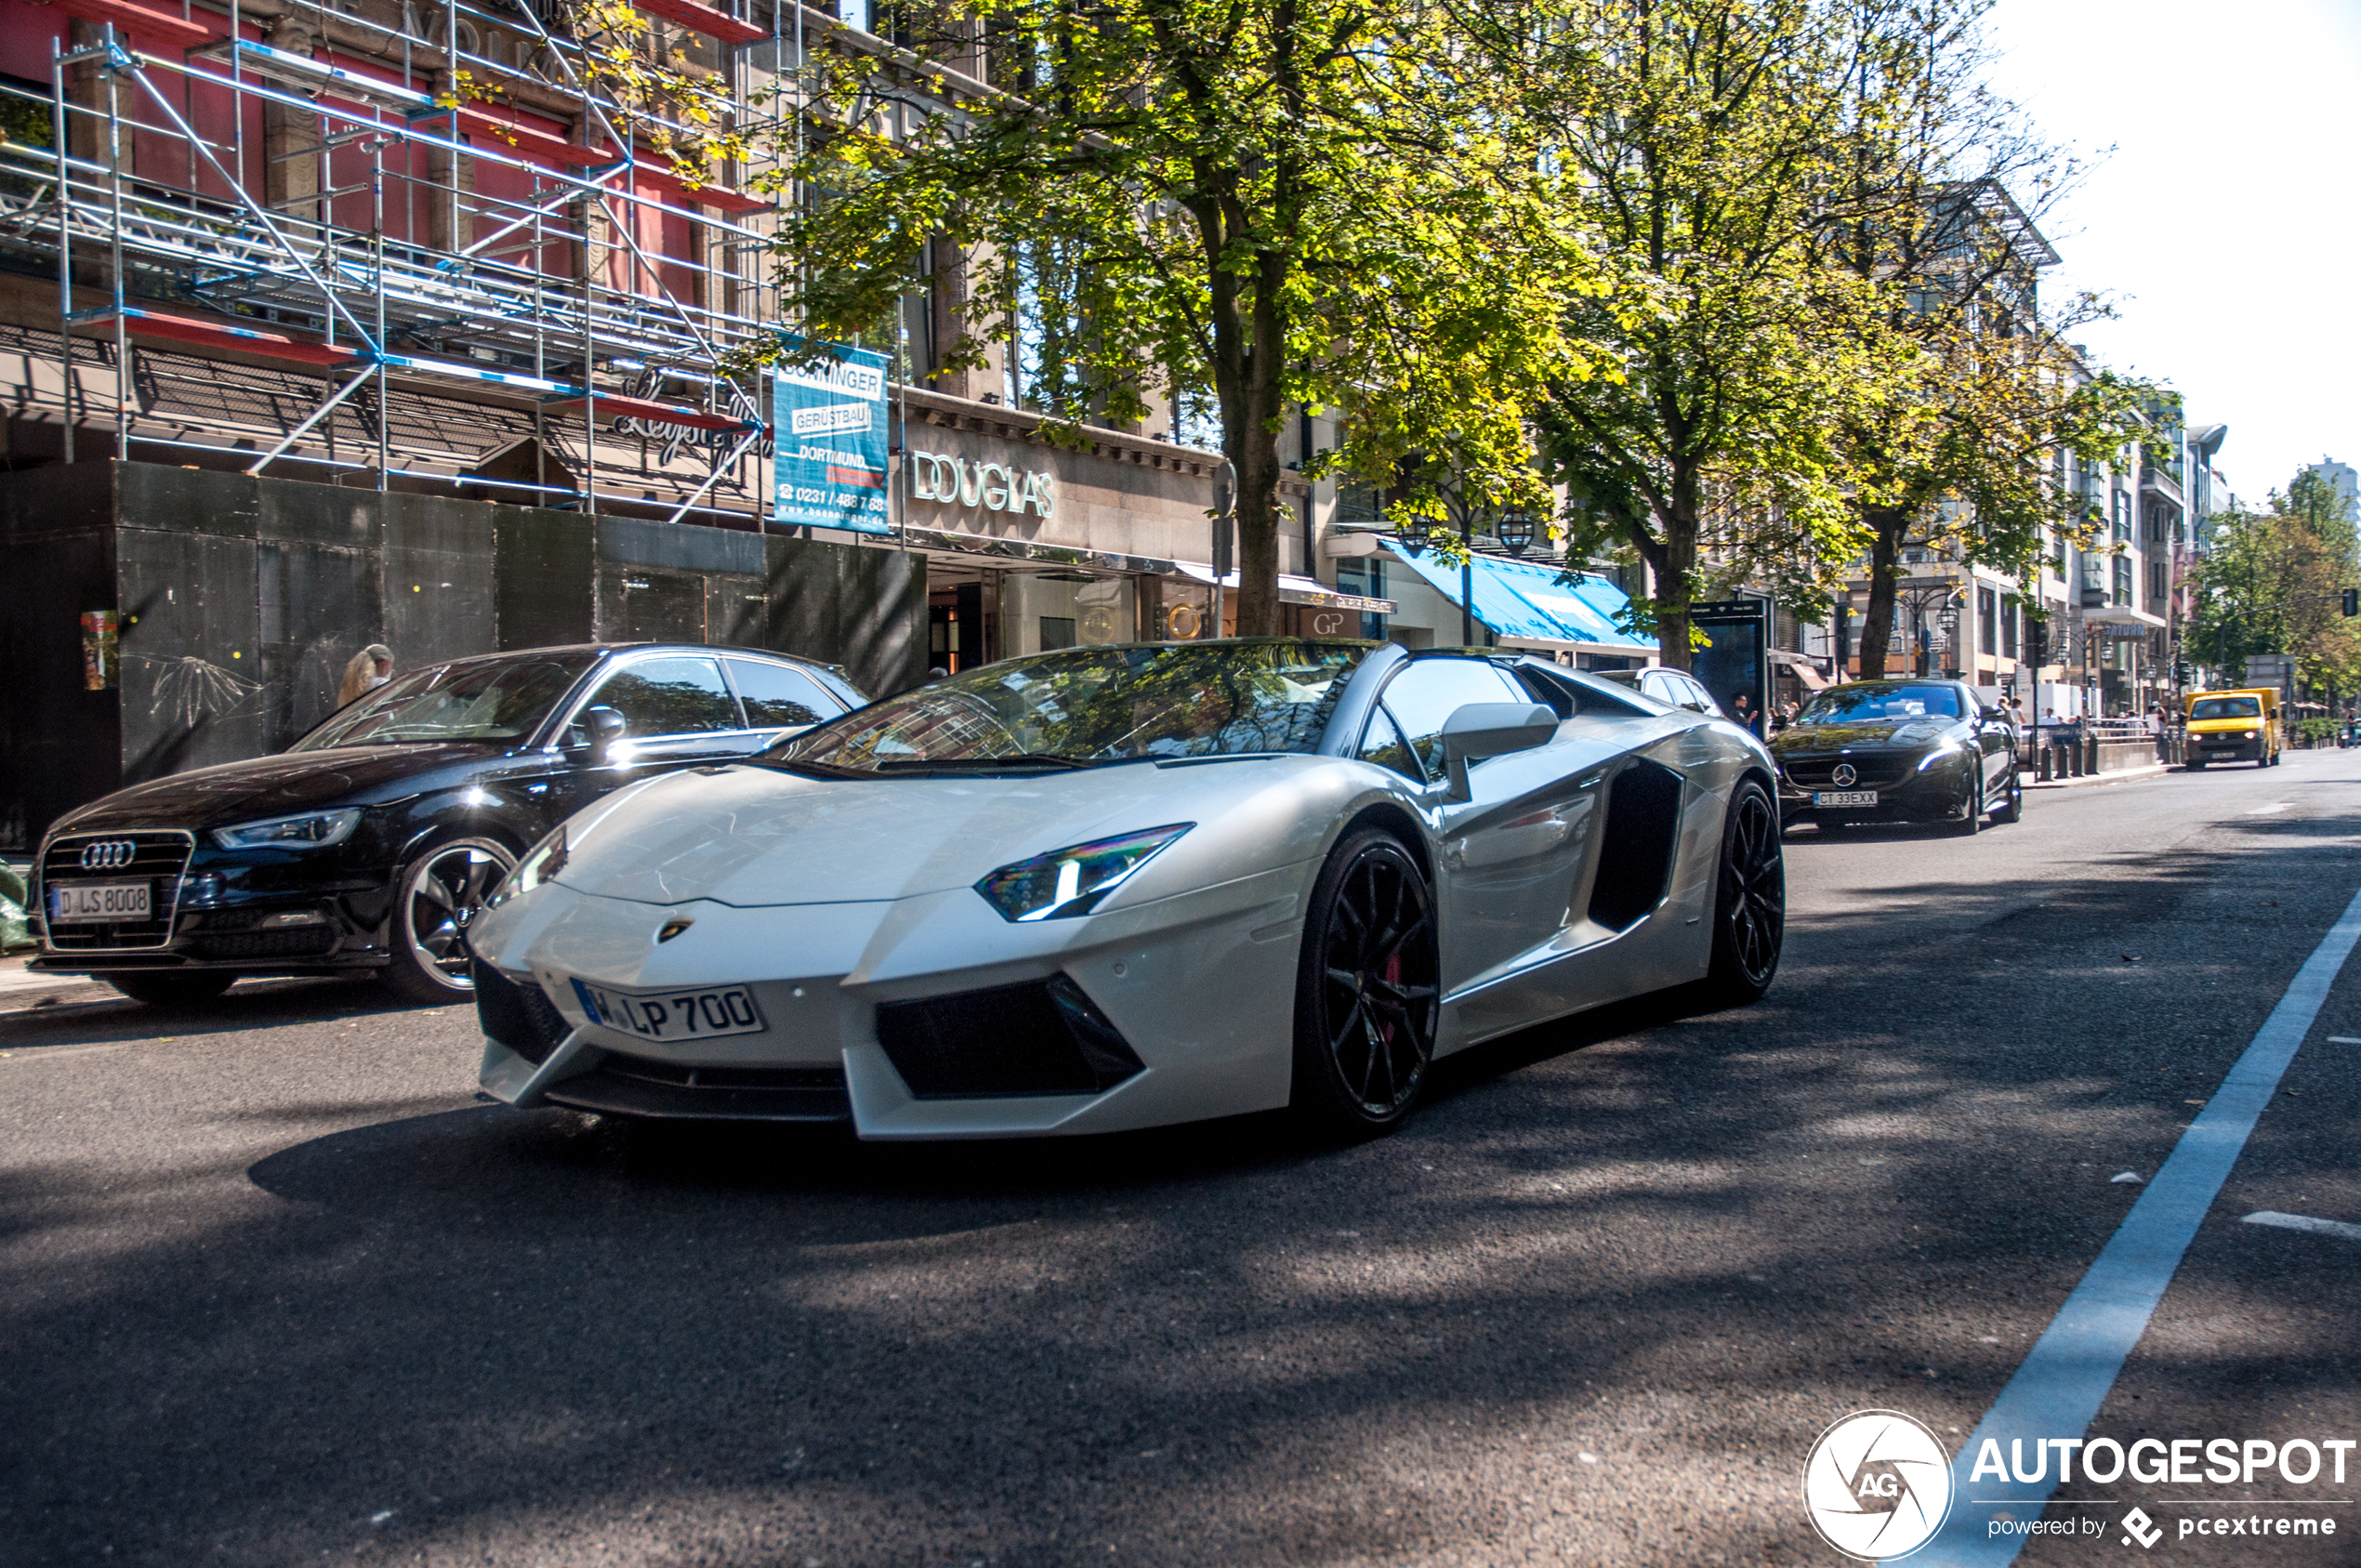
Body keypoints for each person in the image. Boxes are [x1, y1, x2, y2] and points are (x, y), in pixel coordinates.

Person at [337, 643, 393, 707]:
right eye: (391, 665)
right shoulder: (382, 685)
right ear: (384, 663)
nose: (391, 670)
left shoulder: (348, 687)